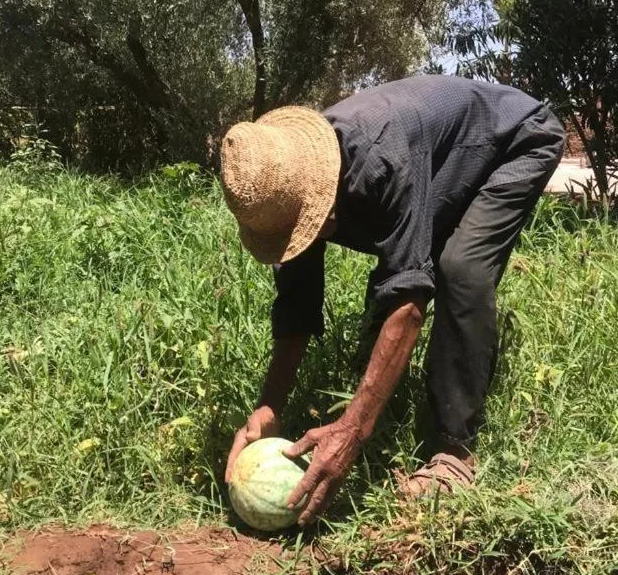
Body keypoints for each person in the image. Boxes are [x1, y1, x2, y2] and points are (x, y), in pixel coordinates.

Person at [220, 76, 565, 526]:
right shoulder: (286, 189)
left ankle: (454, 452)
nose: (314, 231)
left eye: (314, 218)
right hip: (440, 158)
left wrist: (353, 429)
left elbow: (410, 301)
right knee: (403, 266)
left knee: (460, 268)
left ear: (324, 181)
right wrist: (269, 407)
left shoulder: (380, 160)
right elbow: (297, 301)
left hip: (516, 138)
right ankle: (382, 401)